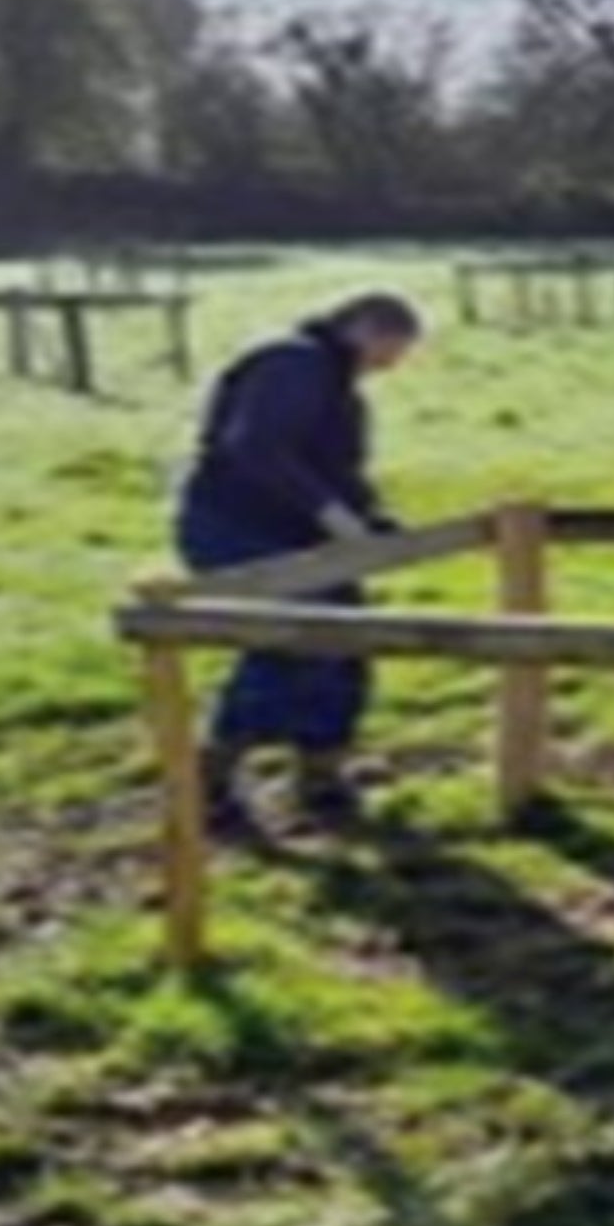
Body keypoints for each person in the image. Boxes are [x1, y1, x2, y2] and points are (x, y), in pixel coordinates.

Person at [174, 292, 422, 841]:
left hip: (296, 531)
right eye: (391, 349)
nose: (391, 365)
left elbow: (337, 468)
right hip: (234, 525)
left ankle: (321, 774)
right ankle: (207, 779)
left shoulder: (338, 388)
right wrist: (330, 512)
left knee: (346, 638)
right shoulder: (291, 363)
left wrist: (371, 519)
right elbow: (255, 448)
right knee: (287, 640)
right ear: (362, 327)